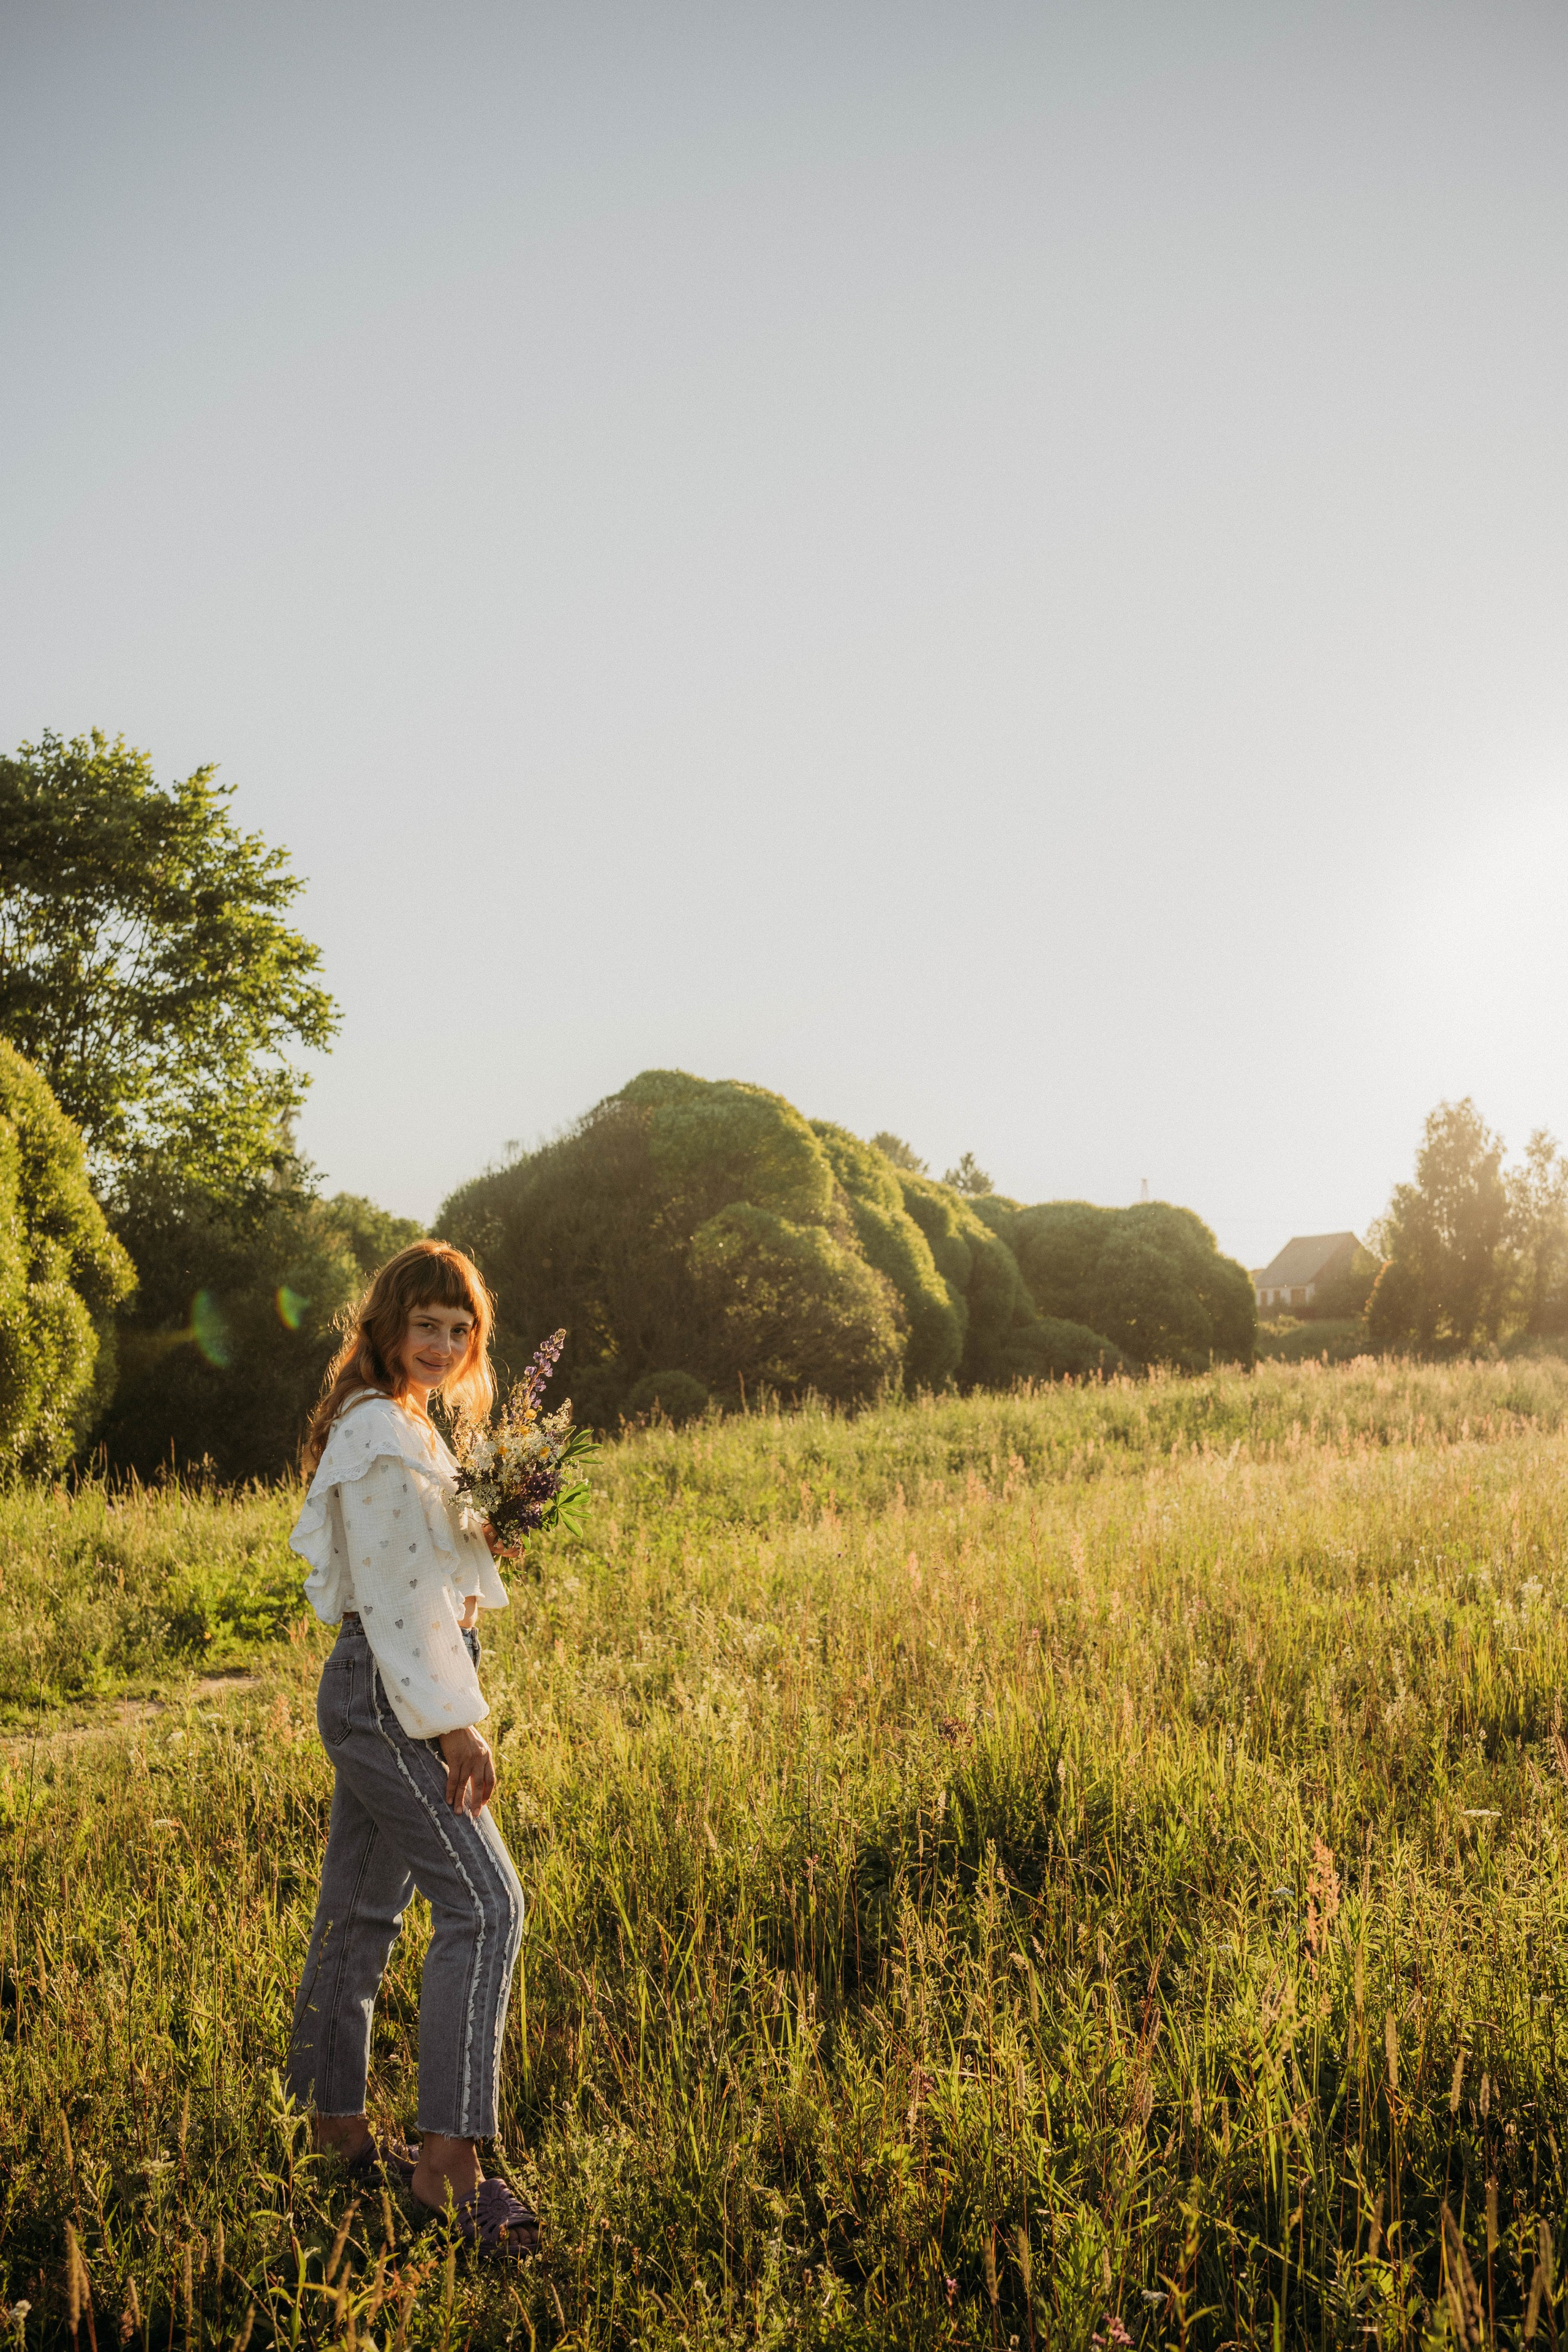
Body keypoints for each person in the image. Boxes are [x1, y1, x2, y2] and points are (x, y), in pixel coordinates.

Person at [285, 1239, 537, 2260]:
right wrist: (455, 1721)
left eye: (458, 1326)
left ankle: (334, 2128)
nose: (441, 1342)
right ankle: (449, 2167)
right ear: (383, 1327)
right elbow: (395, 1600)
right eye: (423, 1324)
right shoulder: (382, 1437)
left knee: (360, 1910)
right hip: (395, 1692)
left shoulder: (400, 1425)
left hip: (379, 1684)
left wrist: (487, 1530)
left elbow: (429, 1576)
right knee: (487, 1905)